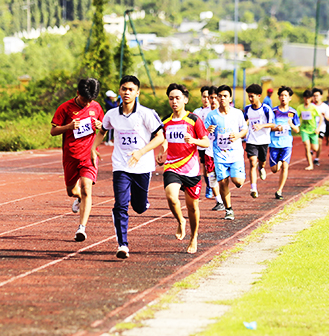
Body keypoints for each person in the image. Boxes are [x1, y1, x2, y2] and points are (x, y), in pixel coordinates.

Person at [98, 75, 165, 259]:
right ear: (119, 91)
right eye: (124, 89)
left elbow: (160, 137)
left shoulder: (145, 113)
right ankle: (123, 244)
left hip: (142, 166)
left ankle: (143, 202)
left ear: (137, 92)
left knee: (139, 207)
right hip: (121, 165)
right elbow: (103, 130)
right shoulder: (112, 114)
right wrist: (92, 148)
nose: (126, 92)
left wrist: (141, 152)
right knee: (120, 205)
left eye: (130, 90)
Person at [156, 84, 210, 254]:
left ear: (185, 100)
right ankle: (180, 220)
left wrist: (193, 141)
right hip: (172, 166)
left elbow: (206, 142)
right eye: (171, 98)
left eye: (177, 98)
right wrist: (162, 151)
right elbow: (163, 139)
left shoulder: (193, 119)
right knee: (171, 197)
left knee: (192, 207)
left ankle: (194, 237)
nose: (174, 101)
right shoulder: (165, 121)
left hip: (191, 169)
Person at [50, 78, 105, 242]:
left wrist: (100, 126)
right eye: (84, 99)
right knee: (71, 191)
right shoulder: (65, 108)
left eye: (90, 100)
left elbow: (104, 129)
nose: (87, 103)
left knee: (87, 188)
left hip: (89, 155)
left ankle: (81, 228)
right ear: (77, 93)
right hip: (70, 156)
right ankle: (79, 198)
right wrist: (68, 127)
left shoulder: (96, 107)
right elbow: (53, 131)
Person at [204, 85, 249, 221]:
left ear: (230, 98)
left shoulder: (237, 113)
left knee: (238, 181)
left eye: (225, 96)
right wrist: (209, 130)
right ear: (217, 98)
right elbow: (204, 133)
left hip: (235, 154)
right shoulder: (211, 115)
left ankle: (237, 175)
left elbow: (244, 129)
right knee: (223, 183)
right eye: (220, 96)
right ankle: (228, 209)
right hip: (219, 155)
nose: (222, 98)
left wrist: (238, 135)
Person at [243, 84, 275, 198]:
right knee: (252, 162)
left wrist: (261, 126)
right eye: (249, 96)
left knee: (262, 162)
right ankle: (253, 188)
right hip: (251, 140)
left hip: (263, 140)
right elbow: (244, 121)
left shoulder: (266, 109)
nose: (250, 99)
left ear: (259, 96)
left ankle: (261, 168)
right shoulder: (247, 108)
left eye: (252, 96)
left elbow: (272, 124)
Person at [269, 86, 300, 200]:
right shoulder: (273, 111)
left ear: (290, 98)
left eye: (286, 95)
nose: (283, 97)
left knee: (285, 166)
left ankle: (279, 190)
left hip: (287, 143)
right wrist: (276, 128)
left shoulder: (292, 112)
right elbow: (269, 127)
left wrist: (291, 125)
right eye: (281, 95)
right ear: (278, 97)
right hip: (274, 144)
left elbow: (297, 130)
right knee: (274, 169)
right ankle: (280, 163)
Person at [203, 86, 225, 211]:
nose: (213, 100)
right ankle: (219, 201)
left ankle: (225, 199)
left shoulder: (225, 113)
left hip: (223, 151)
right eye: (211, 97)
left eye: (215, 97)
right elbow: (199, 132)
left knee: (223, 177)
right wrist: (206, 130)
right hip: (209, 150)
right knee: (211, 176)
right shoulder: (203, 113)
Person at [193, 86, 213, 198]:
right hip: (202, 144)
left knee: (212, 168)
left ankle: (215, 186)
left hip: (213, 144)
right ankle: (209, 186)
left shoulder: (214, 110)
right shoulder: (197, 112)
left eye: (208, 97)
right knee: (205, 167)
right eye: (204, 97)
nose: (206, 99)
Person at [298, 89, 321, 170]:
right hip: (304, 130)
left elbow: (321, 117)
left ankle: (311, 150)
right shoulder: (300, 107)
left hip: (313, 130)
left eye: (308, 98)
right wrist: (296, 125)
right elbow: (297, 117)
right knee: (306, 146)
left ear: (311, 98)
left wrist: (318, 128)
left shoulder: (313, 107)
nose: (307, 100)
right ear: (304, 98)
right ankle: (310, 165)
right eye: (305, 98)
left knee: (315, 148)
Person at [311, 88, 329, 166]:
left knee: (319, 141)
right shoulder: (311, 106)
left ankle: (317, 158)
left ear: (321, 96)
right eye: (314, 96)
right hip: (311, 127)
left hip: (321, 127)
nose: (315, 97)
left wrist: (325, 116)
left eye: (317, 95)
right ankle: (312, 150)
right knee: (312, 143)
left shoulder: (325, 106)